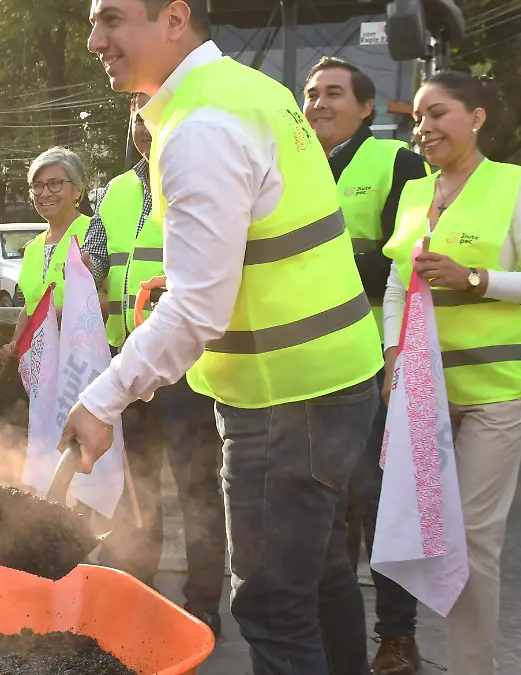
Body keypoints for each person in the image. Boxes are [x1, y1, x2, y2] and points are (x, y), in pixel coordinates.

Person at [64, 2, 382, 674]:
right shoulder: (251, 90)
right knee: (322, 579)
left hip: (284, 400)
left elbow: (198, 308)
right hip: (330, 382)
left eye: (112, 19)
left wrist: (102, 399)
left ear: (174, 18)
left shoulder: (200, 127)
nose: (95, 40)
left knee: (271, 602)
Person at [381, 71, 521, 675]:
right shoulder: (413, 195)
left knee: (475, 537)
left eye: (438, 114)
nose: (423, 128)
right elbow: (395, 287)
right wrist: (391, 356)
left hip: (495, 389)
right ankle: (406, 642)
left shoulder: (516, 184)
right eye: (417, 119)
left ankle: (472, 667)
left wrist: (474, 278)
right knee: (414, 524)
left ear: (477, 117)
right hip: (423, 392)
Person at [303, 56, 430, 674]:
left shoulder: (396, 163)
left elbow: (404, 262)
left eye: (332, 93)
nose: (318, 104)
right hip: (305, 362)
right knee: (326, 506)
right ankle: (339, 636)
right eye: (309, 94)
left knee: (378, 502)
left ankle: (398, 635)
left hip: (374, 361)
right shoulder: (292, 167)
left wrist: (327, 266)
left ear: (366, 108)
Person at [81, 93, 225, 636]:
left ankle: (204, 601)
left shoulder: (197, 176)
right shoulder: (115, 192)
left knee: (197, 488)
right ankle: (138, 590)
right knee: (135, 487)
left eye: (155, 112)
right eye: (136, 114)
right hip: (131, 367)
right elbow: (93, 261)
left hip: (190, 366)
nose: (144, 124)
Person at [0, 146, 90, 360]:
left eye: (55, 183)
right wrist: (14, 344)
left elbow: (109, 301)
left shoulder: (95, 234)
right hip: (41, 367)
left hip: (83, 361)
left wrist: (62, 315)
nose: (45, 193)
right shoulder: (33, 248)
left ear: (77, 190)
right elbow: (30, 309)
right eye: (37, 186)